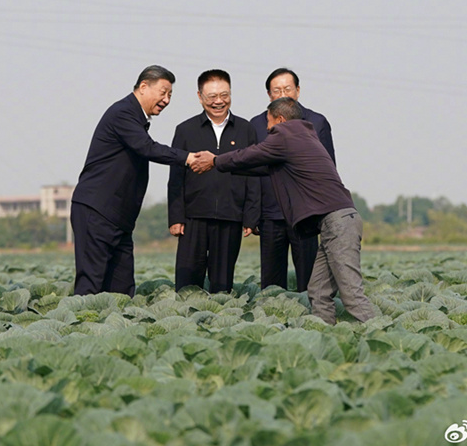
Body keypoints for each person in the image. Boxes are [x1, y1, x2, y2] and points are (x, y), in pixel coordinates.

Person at [190, 97, 375, 325]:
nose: (268, 131)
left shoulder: (286, 135)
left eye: (269, 126)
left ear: (280, 119)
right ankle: (326, 335)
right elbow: (261, 166)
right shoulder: (304, 136)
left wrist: (216, 160)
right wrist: (222, 168)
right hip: (337, 222)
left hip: (338, 223)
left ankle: (386, 338)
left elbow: (250, 154)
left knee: (352, 295)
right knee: (317, 291)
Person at [71, 65, 198, 296]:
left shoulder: (135, 117)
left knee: (121, 289)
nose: (167, 99)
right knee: (91, 285)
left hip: (119, 219)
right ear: (143, 87)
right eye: (163, 92)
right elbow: (147, 148)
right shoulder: (123, 113)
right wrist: (187, 157)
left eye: (170, 94)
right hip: (97, 210)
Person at [168, 69, 259, 293]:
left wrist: (251, 216)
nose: (219, 101)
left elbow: (254, 176)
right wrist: (176, 216)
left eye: (224, 95)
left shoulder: (246, 129)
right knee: (187, 280)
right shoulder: (185, 130)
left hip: (231, 217)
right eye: (212, 97)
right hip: (193, 218)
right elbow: (175, 178)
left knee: (222, 283)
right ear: (200, 97)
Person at [250, 68, 335, 292]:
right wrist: (252, 214)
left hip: (305, 215)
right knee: (271, 281)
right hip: (270, 214)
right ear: (269, 94)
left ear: (298, 90)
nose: (283, 94)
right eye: (276, 90)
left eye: (287, 89)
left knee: (310, 280)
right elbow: (249, 172)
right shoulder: (257, 125)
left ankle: (311, 320)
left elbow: (327, 170)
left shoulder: (317, 122)